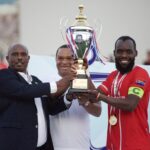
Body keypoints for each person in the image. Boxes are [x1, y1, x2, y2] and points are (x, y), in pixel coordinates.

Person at [0, 44, 76, 150]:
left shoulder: (35, 80)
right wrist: (65, 80)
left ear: (28, 58)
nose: (19, 57)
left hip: (43, 147)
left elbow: (50, 108)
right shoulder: (4, 76)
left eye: (23, 54)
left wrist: (68, 97)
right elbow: (24, 91)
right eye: (15, 54)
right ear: (7, 58)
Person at [85, 36, 150, 150]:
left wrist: (101, 97)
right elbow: (94, 96)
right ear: (115, 53)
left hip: (137, 145)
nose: (124, 55)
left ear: (135, 53)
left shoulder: (141, 74)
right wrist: (84, 73)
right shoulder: (113, 76)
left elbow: (130, 104)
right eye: (120, 51)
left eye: (128, 52)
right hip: (113, 145)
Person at [49, 44, 101, 150]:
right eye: (60, 58)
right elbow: (50, 105)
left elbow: (97, 111)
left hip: (81, 146)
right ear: (55, 59)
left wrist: (83, 74)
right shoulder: (49, 82)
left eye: (69, 58)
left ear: (76, 60)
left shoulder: (85, 80)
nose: (64, 62)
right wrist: (71, 79)